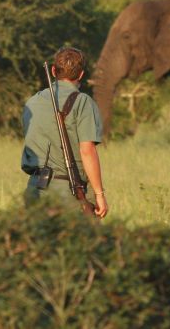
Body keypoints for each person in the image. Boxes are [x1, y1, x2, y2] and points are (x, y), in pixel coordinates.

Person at [21, 47, 108, 218]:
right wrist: (99, 194)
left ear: (54, 70)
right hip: (68, 191)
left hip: (35, 188)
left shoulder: (32, 102)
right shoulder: (83, 102)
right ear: (81, 74)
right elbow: (87, 150)